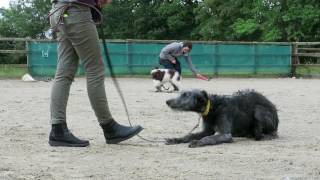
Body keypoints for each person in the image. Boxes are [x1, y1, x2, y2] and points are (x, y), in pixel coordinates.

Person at [48, 0, 143, 147]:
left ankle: (58, 130)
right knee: (94, 69)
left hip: (58, 11)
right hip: (77, 11)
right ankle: (109, 127)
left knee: (64, 72)